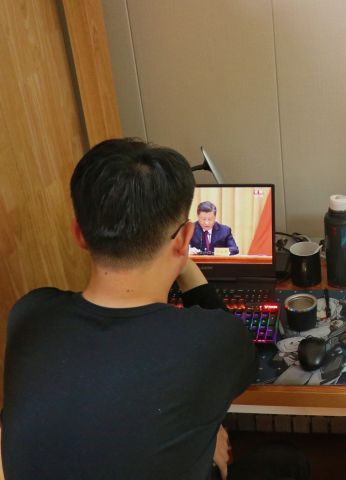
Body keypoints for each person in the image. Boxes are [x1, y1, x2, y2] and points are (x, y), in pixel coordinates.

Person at [2, 138, 256, 479]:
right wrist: (209, 435)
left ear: (79, 234)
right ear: (185, 239)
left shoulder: (29, 315)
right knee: (283, 460)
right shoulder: (215, 339)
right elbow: (232, 358)